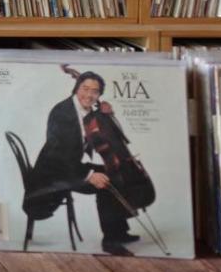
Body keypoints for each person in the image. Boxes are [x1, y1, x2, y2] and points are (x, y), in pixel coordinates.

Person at [28, 70, 138, 256]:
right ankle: (110, 242)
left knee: (115, 171)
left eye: (95, 91)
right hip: (52, 174)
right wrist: (89, 175)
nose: (89, 95)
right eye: (85, 89)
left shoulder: (86, 110)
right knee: (106, 183)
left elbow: (106, 134)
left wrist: (108, 114)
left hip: (67, 165)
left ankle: (120, 231)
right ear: (76, 88)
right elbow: (59, 156)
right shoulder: (63, 113)